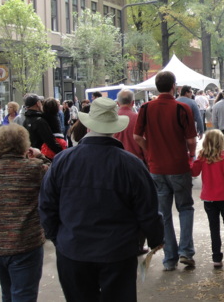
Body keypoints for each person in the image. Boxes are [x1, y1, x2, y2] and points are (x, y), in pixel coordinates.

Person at [39, 97, 164, 301]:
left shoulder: (63, 160)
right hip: (118, 251)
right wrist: (155, 238)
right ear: (114, 128)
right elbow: (148, 210)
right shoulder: (131, 165)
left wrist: (58, 237)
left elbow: (46, 205)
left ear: (89, 125)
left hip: (73, 249)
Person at [0, 124, 49, 302]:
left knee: (7, 290)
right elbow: (56, 177)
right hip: (24, 242)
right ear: (24, 144)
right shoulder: (34, 169)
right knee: (24, 294)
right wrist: (40, 156)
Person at [134, 71, 198, 271]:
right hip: (178, 165)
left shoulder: (145, 108)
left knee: (164, 213)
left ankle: (170, 258)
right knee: (185, 207)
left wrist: (150, 150)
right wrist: (191, 154)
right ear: (173, 86)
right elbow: (191, 140)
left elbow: (137, 137)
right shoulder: (182, 108)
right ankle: (186, 251)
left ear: (157, 86)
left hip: (156, 167)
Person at [191, 130, 224, 268]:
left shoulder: (202, 156)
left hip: (208, 198)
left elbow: (194, 172)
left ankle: (216, 257)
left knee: (214, 227)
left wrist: (190, 159)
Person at [22, 94, 64, 161]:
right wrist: (62, 152)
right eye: (40, 102)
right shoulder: (40, 121)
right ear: (38, 103)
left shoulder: (26, 120)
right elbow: (50, 141)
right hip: (41, 157)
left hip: (30, 155)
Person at [114, 89, 145, 163]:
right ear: (133, 102)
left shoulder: (111, 119)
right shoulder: (138, 119)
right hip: (137, 162)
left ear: (117, 103)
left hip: (116, 161)